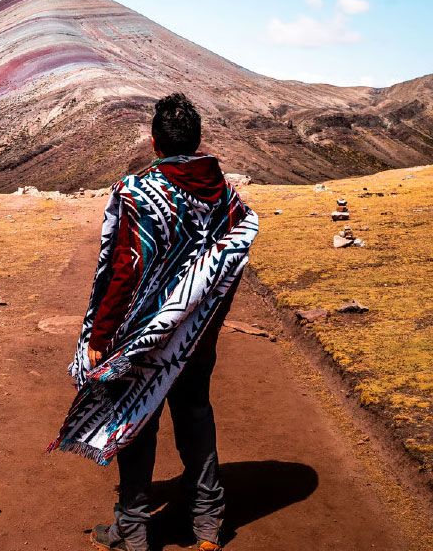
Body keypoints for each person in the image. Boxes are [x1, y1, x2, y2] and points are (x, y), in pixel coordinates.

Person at [49, 93, 260, 551]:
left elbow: (123, 271)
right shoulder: (227, 197)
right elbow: (229, 267)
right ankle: (207, 524)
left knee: (136, 420)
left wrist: (100, 335)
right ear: (199, 141)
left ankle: (133, 532)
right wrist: (205, 320)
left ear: (153, 142)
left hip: (142, 337)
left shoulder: (139, 192)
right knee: (195, 414)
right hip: (195, 337)